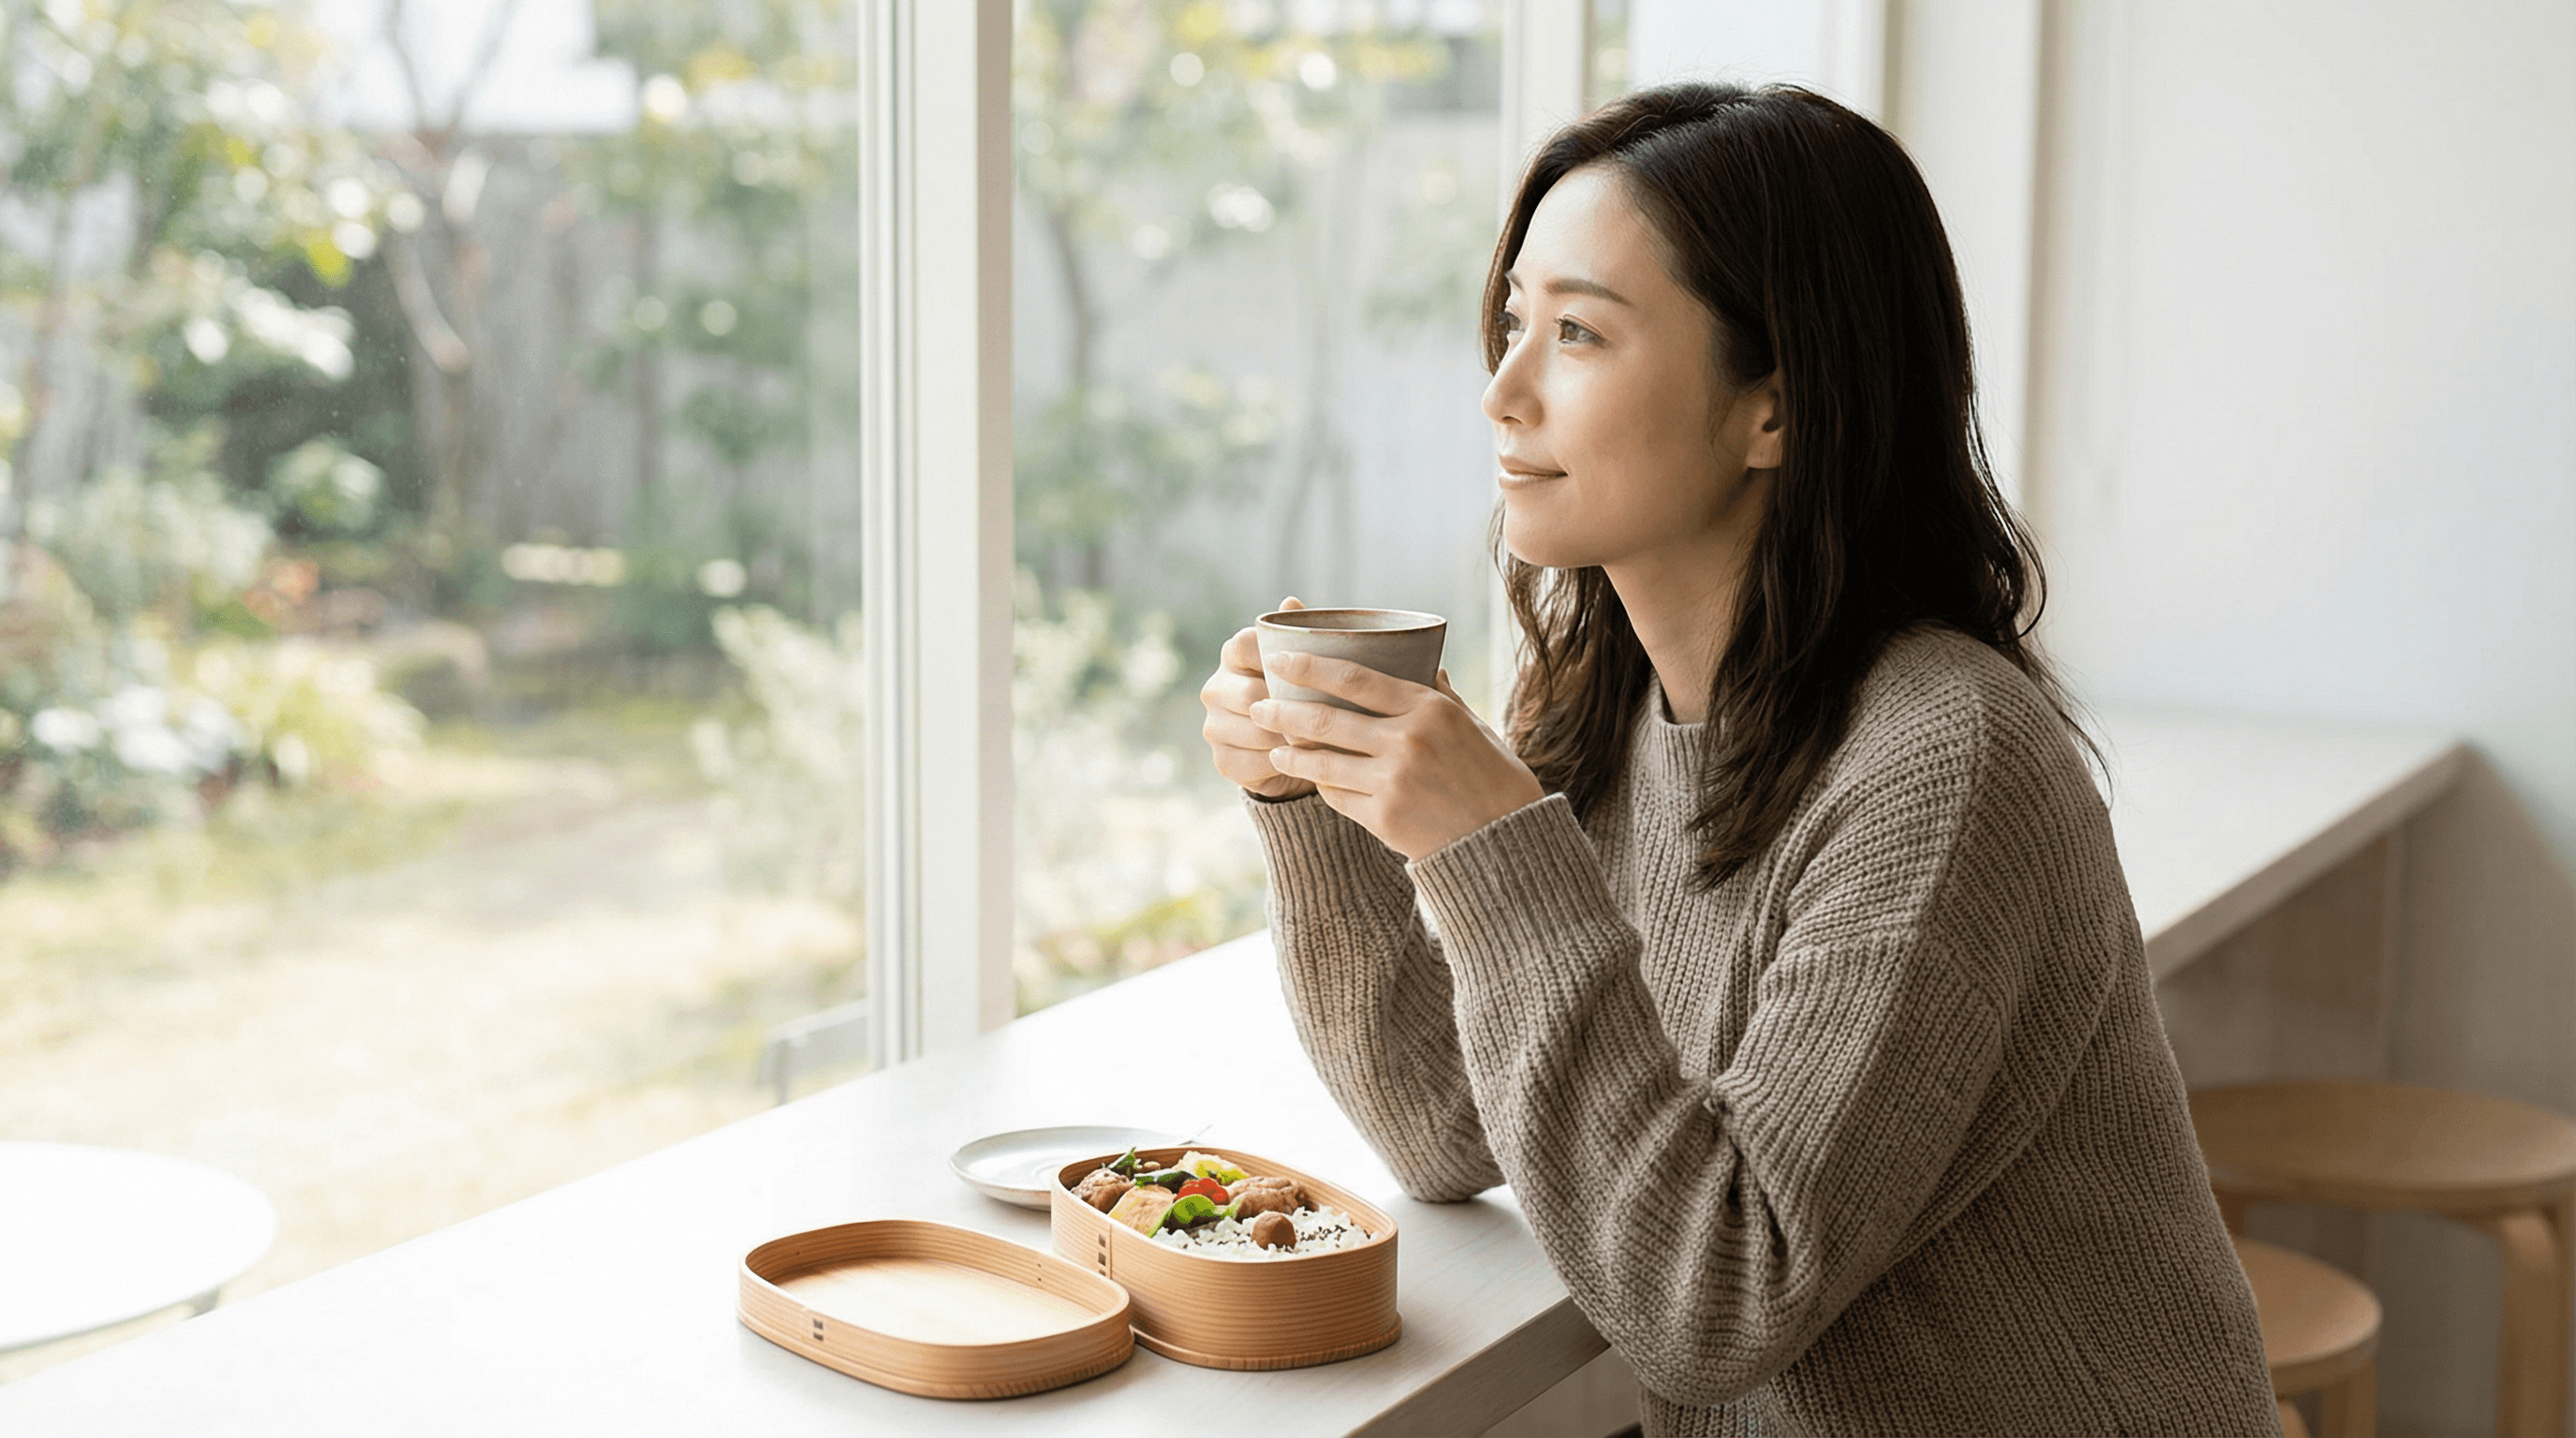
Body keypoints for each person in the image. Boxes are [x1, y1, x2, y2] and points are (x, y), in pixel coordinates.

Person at [1197, 82, 2278, 1436]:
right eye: (1515, 320)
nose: (1502, 390)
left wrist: (1494, 850)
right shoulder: (1620, 705)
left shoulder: (1947, 762)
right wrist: (1309, 805)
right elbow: (1448, 1129)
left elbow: (1717, 1300)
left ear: (1773, 408)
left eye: (1578, 332)